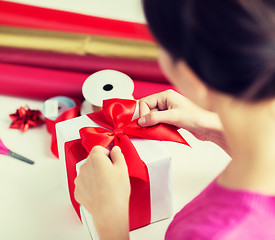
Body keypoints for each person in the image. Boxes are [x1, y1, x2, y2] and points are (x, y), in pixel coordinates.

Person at [74, 0, 275, 239]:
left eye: (162, 45)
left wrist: (110, 221)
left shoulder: (215, 233)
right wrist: (217, 130)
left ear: (193, 78)